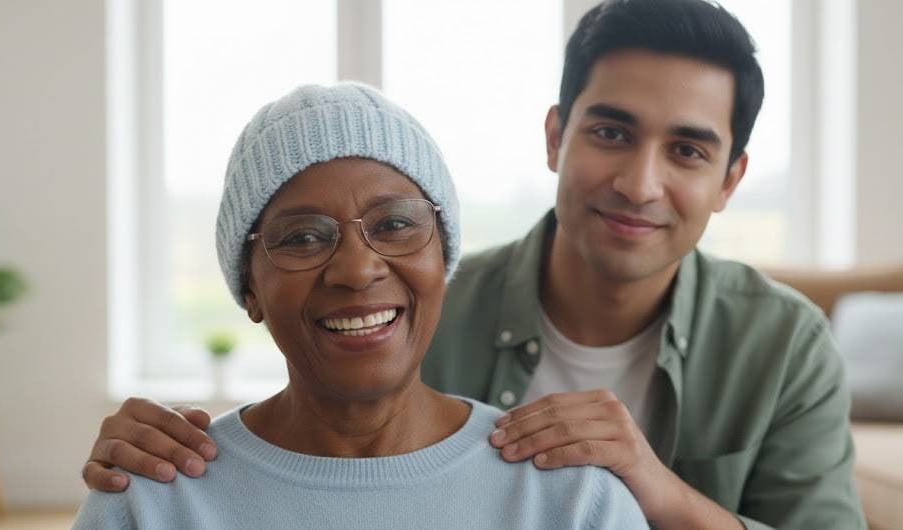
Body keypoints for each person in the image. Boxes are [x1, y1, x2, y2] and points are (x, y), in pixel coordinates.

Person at [80, 1, 866, 529]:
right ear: (556, 136)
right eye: (612, 133)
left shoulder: (784, 344)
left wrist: (654, 489)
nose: (639, 183)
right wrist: (160, 461)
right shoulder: (422, 301)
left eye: (688, 150)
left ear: (731, 179)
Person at [72, 82, 648, 529]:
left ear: (442, 260)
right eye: (301, 237)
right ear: (248, 287)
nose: (356, 270)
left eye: (395, 224)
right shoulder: (152, 503)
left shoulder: (570, 499)